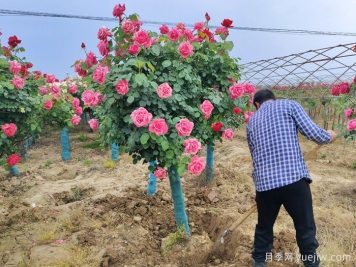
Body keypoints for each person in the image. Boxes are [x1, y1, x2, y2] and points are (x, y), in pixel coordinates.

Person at [246, 89, 337, 267]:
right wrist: (330, 136)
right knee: (304, 226)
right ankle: (311, 263)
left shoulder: (251, 122)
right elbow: (315, 134)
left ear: (257, 104)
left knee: (264, 228)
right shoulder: (289, 105)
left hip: (264, 186)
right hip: (293, 180)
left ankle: (259, 262)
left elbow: (254, 154)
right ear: (273, 98)